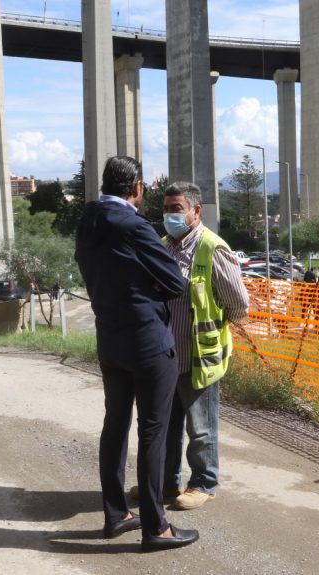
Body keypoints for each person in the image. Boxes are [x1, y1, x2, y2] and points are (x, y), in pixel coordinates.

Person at [74, 155, 199, 552]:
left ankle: (116, 514)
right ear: (138, 188)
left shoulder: (88, 220)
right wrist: (152, 288)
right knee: (153, 431)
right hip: (148, 343)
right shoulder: (134, 224)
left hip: (110, 340)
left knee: (115, 426)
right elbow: (174, 283)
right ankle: (155, 528)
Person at [159, 182, 249, 511]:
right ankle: (167, 484)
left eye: (177, 209)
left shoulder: (212, 248)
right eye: (167, 209)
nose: (170, 215)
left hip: (200, 357)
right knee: (167, 426)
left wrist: (216, 324)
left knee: (201, 429)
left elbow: (239, 304)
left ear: (196, 211)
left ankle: (203, 483)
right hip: (167, 356)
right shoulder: (164, 245)